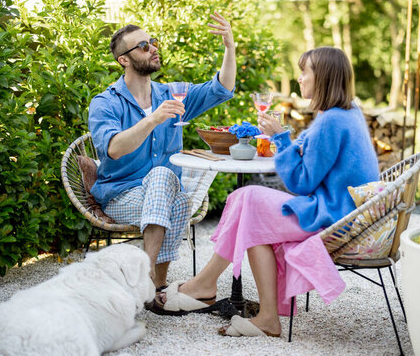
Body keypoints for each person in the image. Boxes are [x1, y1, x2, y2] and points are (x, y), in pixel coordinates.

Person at [152, 46, 379, 338]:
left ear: (322, 77)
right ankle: (249, 307)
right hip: (342, 210)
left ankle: (207, 286)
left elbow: (302, 182)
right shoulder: (346, 113)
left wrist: (281, 139)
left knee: (249, 200)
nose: (299, 78)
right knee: (246, 203)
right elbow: (317, 160)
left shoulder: (333, 121)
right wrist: (289, 143)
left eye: (304, 71)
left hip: (335, 217)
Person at [88, 12, 235, 291]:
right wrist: (153, 119)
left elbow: (221, 89)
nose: (153, 48)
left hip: (162, 196)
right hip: (121, 195)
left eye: (152, 42)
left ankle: (156, 284)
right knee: (163, 179)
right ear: (124, 60)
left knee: (177, 199)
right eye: (144, 46)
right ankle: (147, 280)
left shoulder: (171, 94)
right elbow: (113, 150)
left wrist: (230, 47)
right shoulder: (105, 102)